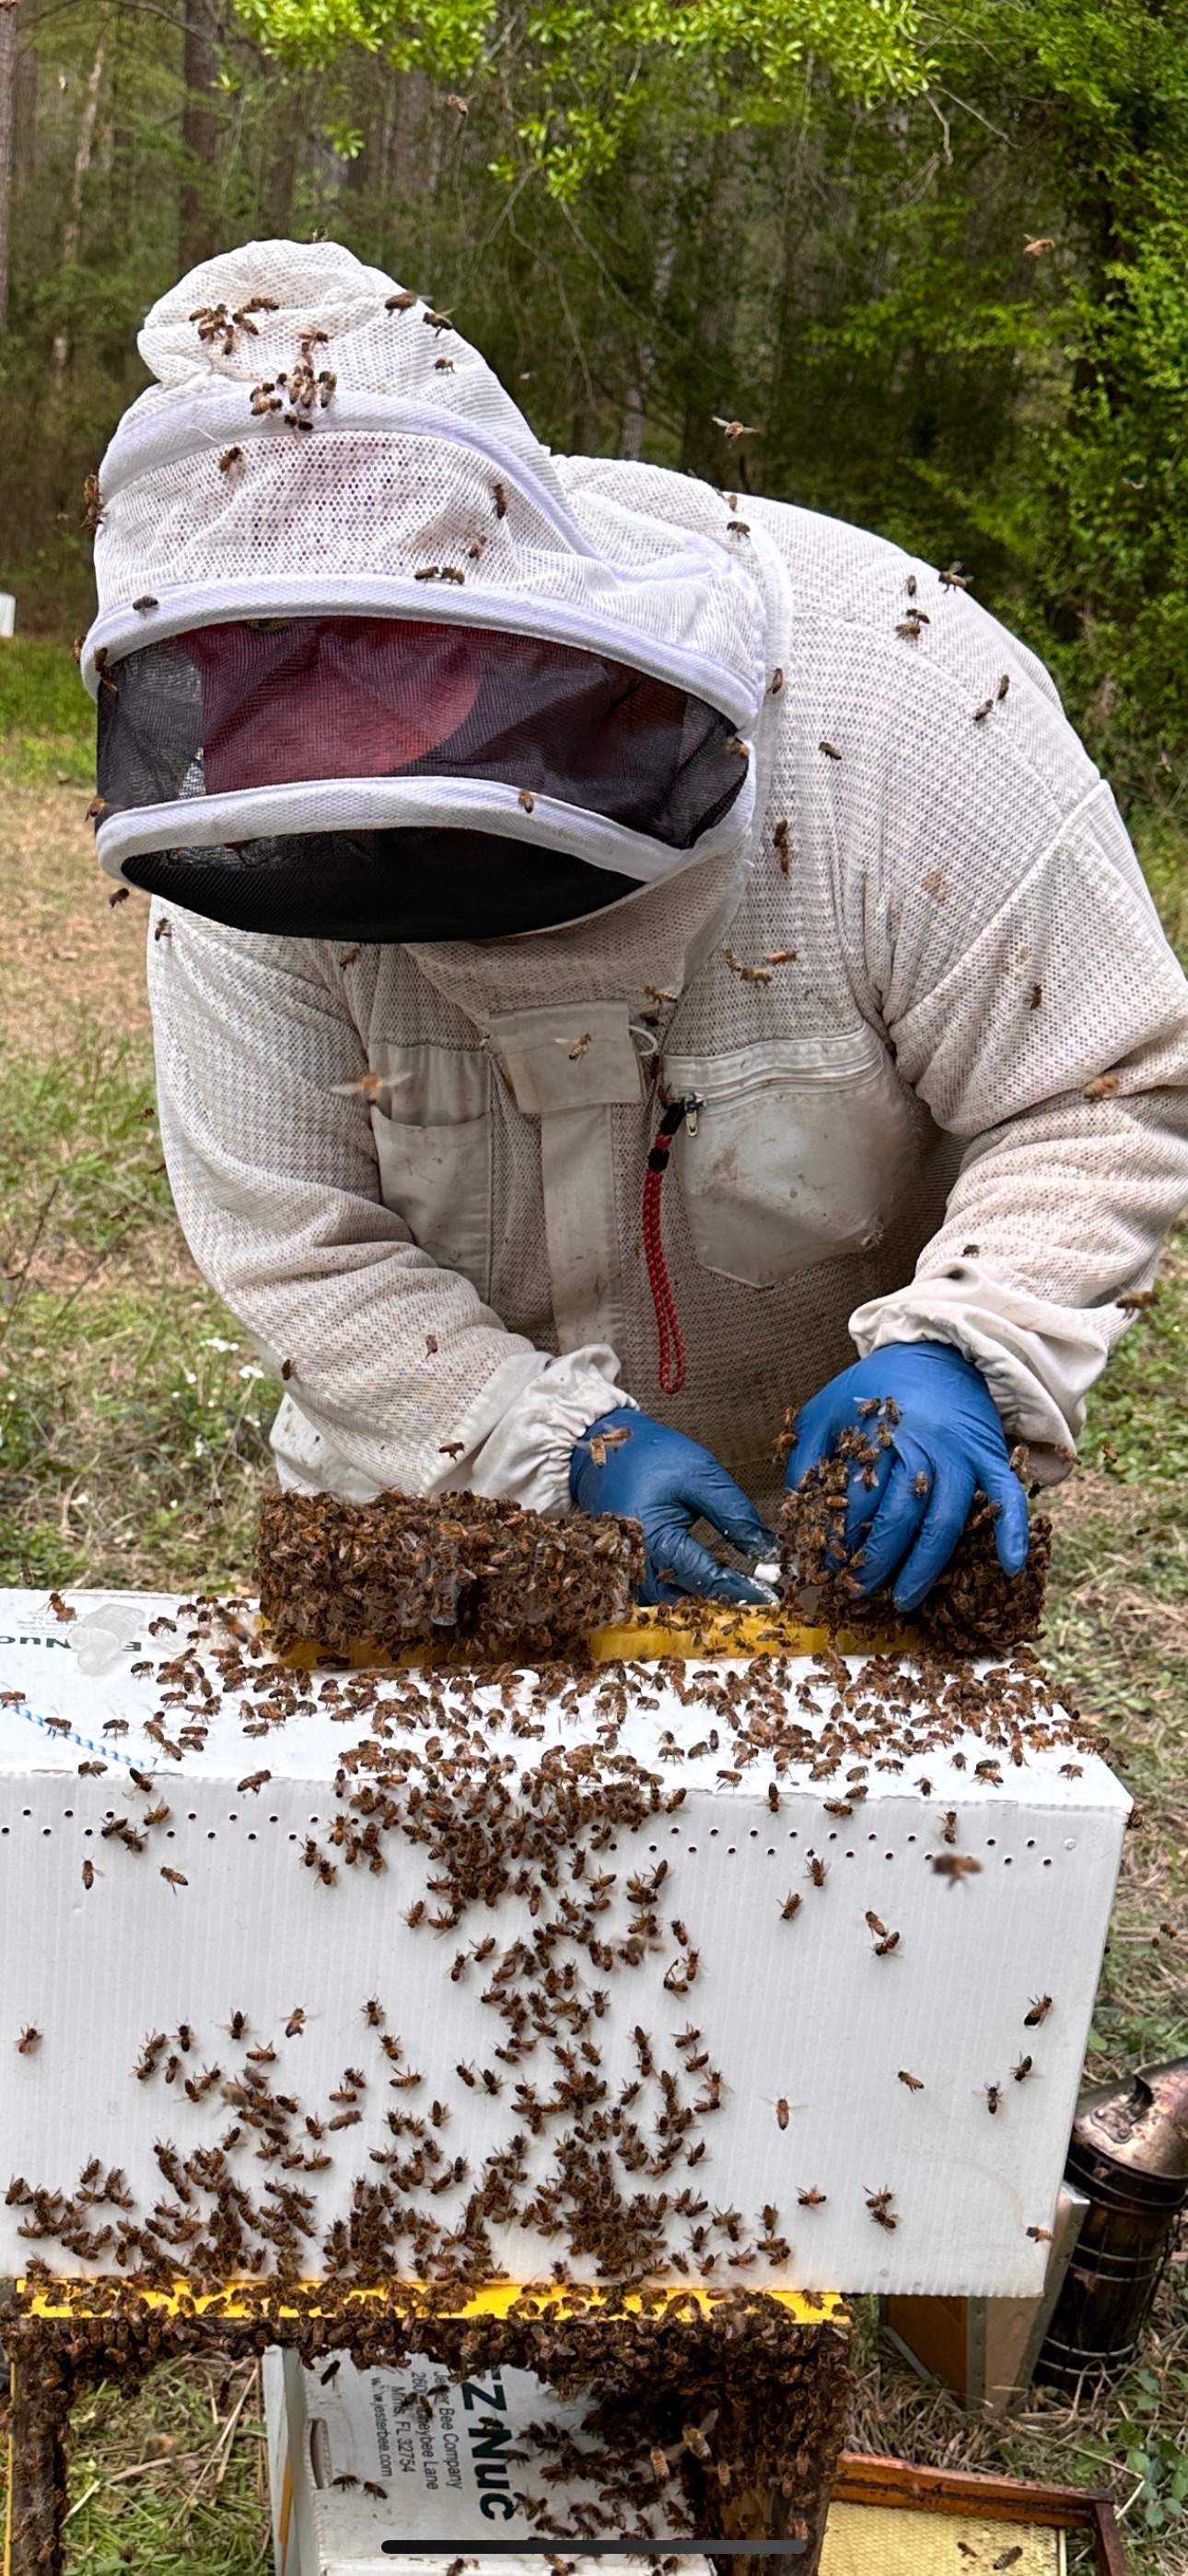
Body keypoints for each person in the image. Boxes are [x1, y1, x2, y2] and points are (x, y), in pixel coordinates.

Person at [81, 240, 1188, 1610]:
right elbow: (292, 1232)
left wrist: (966, 1339)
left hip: (852, 1537)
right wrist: (555, 1441)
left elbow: (1095, 1087)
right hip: (450, 1506)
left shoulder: (900, 699)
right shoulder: (248, 829)